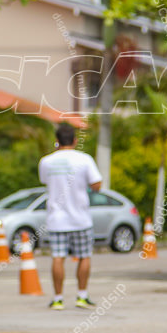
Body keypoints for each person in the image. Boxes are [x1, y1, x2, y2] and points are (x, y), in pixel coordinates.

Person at [38, 123, 102, 310]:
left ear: (56, 141)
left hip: (56, 219)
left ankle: (58, 299)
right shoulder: (84, 159)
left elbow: (44, 180)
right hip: (80, 218)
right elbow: (97, 183)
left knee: (58, 257)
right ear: (75, 140)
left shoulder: (46, 161)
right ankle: (82, 296)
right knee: (84, 256)